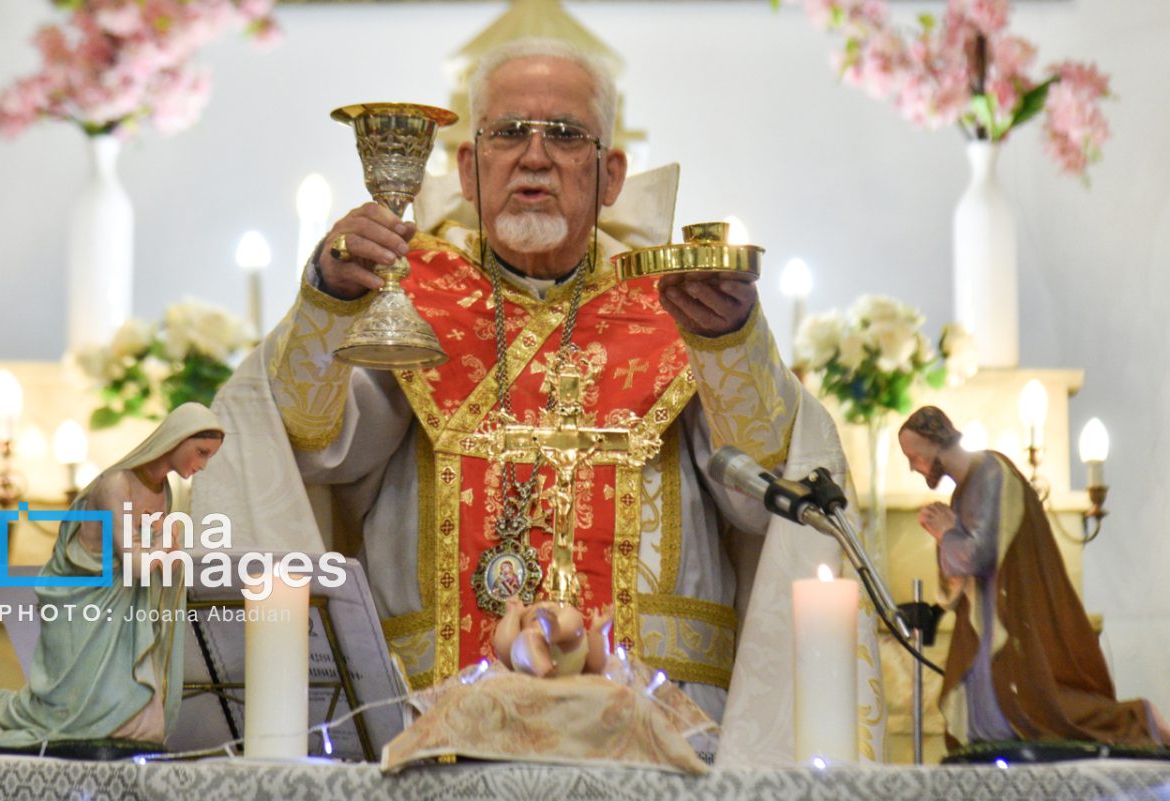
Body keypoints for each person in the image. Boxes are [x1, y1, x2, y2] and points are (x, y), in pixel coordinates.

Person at [194, 37, 883, 764]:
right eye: (507, 132)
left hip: (656, 731)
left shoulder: (681, 304)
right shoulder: (407, 293)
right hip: (437, 722)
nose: (534, 155)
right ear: (467, 166)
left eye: (564, 134)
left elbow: (766, 497)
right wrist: (328, 301)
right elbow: (310, 441)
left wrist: (735, 341)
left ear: (610, 172)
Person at [898, 405, 1169, 749]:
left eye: (913, 455)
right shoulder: (963, 491)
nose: (912, 466)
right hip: (983, 620)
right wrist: (949, 537)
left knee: (1045, 709)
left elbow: (981, 554)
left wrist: (947, 532)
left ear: (931, 441)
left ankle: (1138, 719)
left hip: (1013, 614)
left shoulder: (992, 473)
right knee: (991, 711)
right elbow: (958, 568)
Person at [0, 402, 224, 751]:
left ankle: (121, 734)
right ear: (177, 440)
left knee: (143, 718)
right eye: (201, 452)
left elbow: (156, 555)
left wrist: (169, 552)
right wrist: (169, 551)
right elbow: (135, 561)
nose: (203, 464)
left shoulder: (165, 491)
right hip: (82, 597)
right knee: (66, 705)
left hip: (125, 602)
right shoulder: (115, 483)